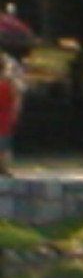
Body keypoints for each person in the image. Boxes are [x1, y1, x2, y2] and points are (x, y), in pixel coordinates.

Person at [0, 42, 29, 178]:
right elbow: (17, 98)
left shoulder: (9, 82)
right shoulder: (10, 83)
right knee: (4, 143)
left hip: (5, 114)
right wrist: (15, 113)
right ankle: (3, 168)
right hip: (5, 115)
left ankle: (3, 168)